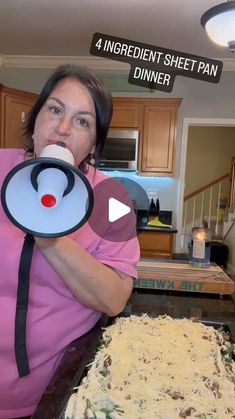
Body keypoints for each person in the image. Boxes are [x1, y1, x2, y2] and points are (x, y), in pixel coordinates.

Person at [0, 64, 140, 418]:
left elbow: (113, 299)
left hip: (51, 395)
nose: (62, 129)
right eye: (55, 109)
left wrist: (51, 237)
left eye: (82, 121)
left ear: (94, 142)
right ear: (35, 119)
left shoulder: (113, 199)